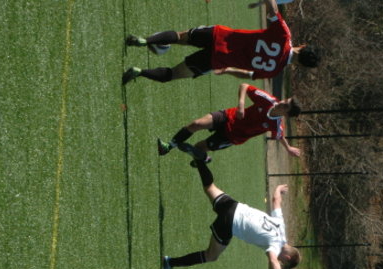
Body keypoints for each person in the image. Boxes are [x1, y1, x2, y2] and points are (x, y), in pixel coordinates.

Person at [161, 159, 299, 269]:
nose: (280, 260)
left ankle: (200, 160)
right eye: (283, 261)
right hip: (229, 223)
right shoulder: (276, 246)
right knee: (211, 256)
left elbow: (276, 200)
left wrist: (278, 189)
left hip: (233, 206)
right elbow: (273, 261)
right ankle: (169, 262)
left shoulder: (281, 225)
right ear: (287, 257)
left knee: (209, 187)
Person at [122, 0, 318, 85]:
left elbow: (273, 10)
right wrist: (229, 70)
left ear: (302, 46)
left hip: (219, 35)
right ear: (300, 65)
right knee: (173, 74)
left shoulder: (284, 36)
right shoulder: (274, 71)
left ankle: (144, 40)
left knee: (180, 37)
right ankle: (139, 72)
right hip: (217, 60)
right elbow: (249, 75)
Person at [156, 83, 302, 161]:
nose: (281, 103)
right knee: (197, 124)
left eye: (285, 106)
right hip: (229, 116)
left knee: (199, 147)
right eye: (285, 100)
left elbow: (280, 135)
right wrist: (241, 104)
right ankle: (168, 147)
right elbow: (244, 86)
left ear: (286, 114)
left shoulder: (276, 125)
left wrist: (288, 148)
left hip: (232, 136)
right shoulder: (268, 100)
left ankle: (202, 158)